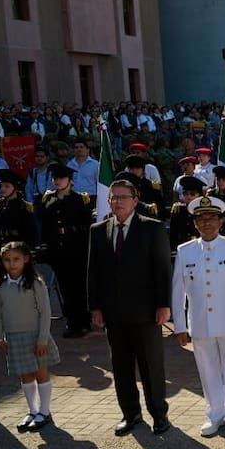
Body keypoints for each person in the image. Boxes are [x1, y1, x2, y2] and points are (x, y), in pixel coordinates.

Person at [87, 179, 173, 436]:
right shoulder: (99, 230)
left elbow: (162, 271)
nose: (118, 202)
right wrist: (95, 307)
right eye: (113, 198)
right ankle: (130, 414)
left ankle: (159, 414)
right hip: (113, 314)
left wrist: (163, 305)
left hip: (146, 313)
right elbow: (94, 273)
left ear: (135, 200)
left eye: (123, 197)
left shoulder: (152, 228)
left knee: (151, 367)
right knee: (121, 366)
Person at [170, 194, 225, 437]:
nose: (206, 223)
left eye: (211, 218)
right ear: (195, 223)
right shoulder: (185, 251)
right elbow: (178, 292)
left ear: (220, 221)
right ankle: (214, 414)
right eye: (201, 219)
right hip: (200, 324)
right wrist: (179, 326)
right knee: (207, 372)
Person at [0, 242, 62, 431]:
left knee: (41, 373)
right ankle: (32, 410)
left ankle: (45, 411)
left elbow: (45, 311)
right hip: (14, 338)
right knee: (25, 375)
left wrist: (42, 339)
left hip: (36, 336)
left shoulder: (35, 283)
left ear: (25, 259)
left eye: (16, 259)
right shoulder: (0, 288)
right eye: (7, 260)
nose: (12, 264)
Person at [38, 163, 93, 338]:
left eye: (61, 178)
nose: (57, 181)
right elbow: (45, 227)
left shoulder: (79, 199)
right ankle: (72, 320)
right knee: (64, 288)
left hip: (76, 250)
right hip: (57, 251)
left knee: (78, 287)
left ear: (70, 180)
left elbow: (86, 226)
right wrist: (46, 248)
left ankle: (83, 321)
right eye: (55, 178)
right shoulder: (49, 200)